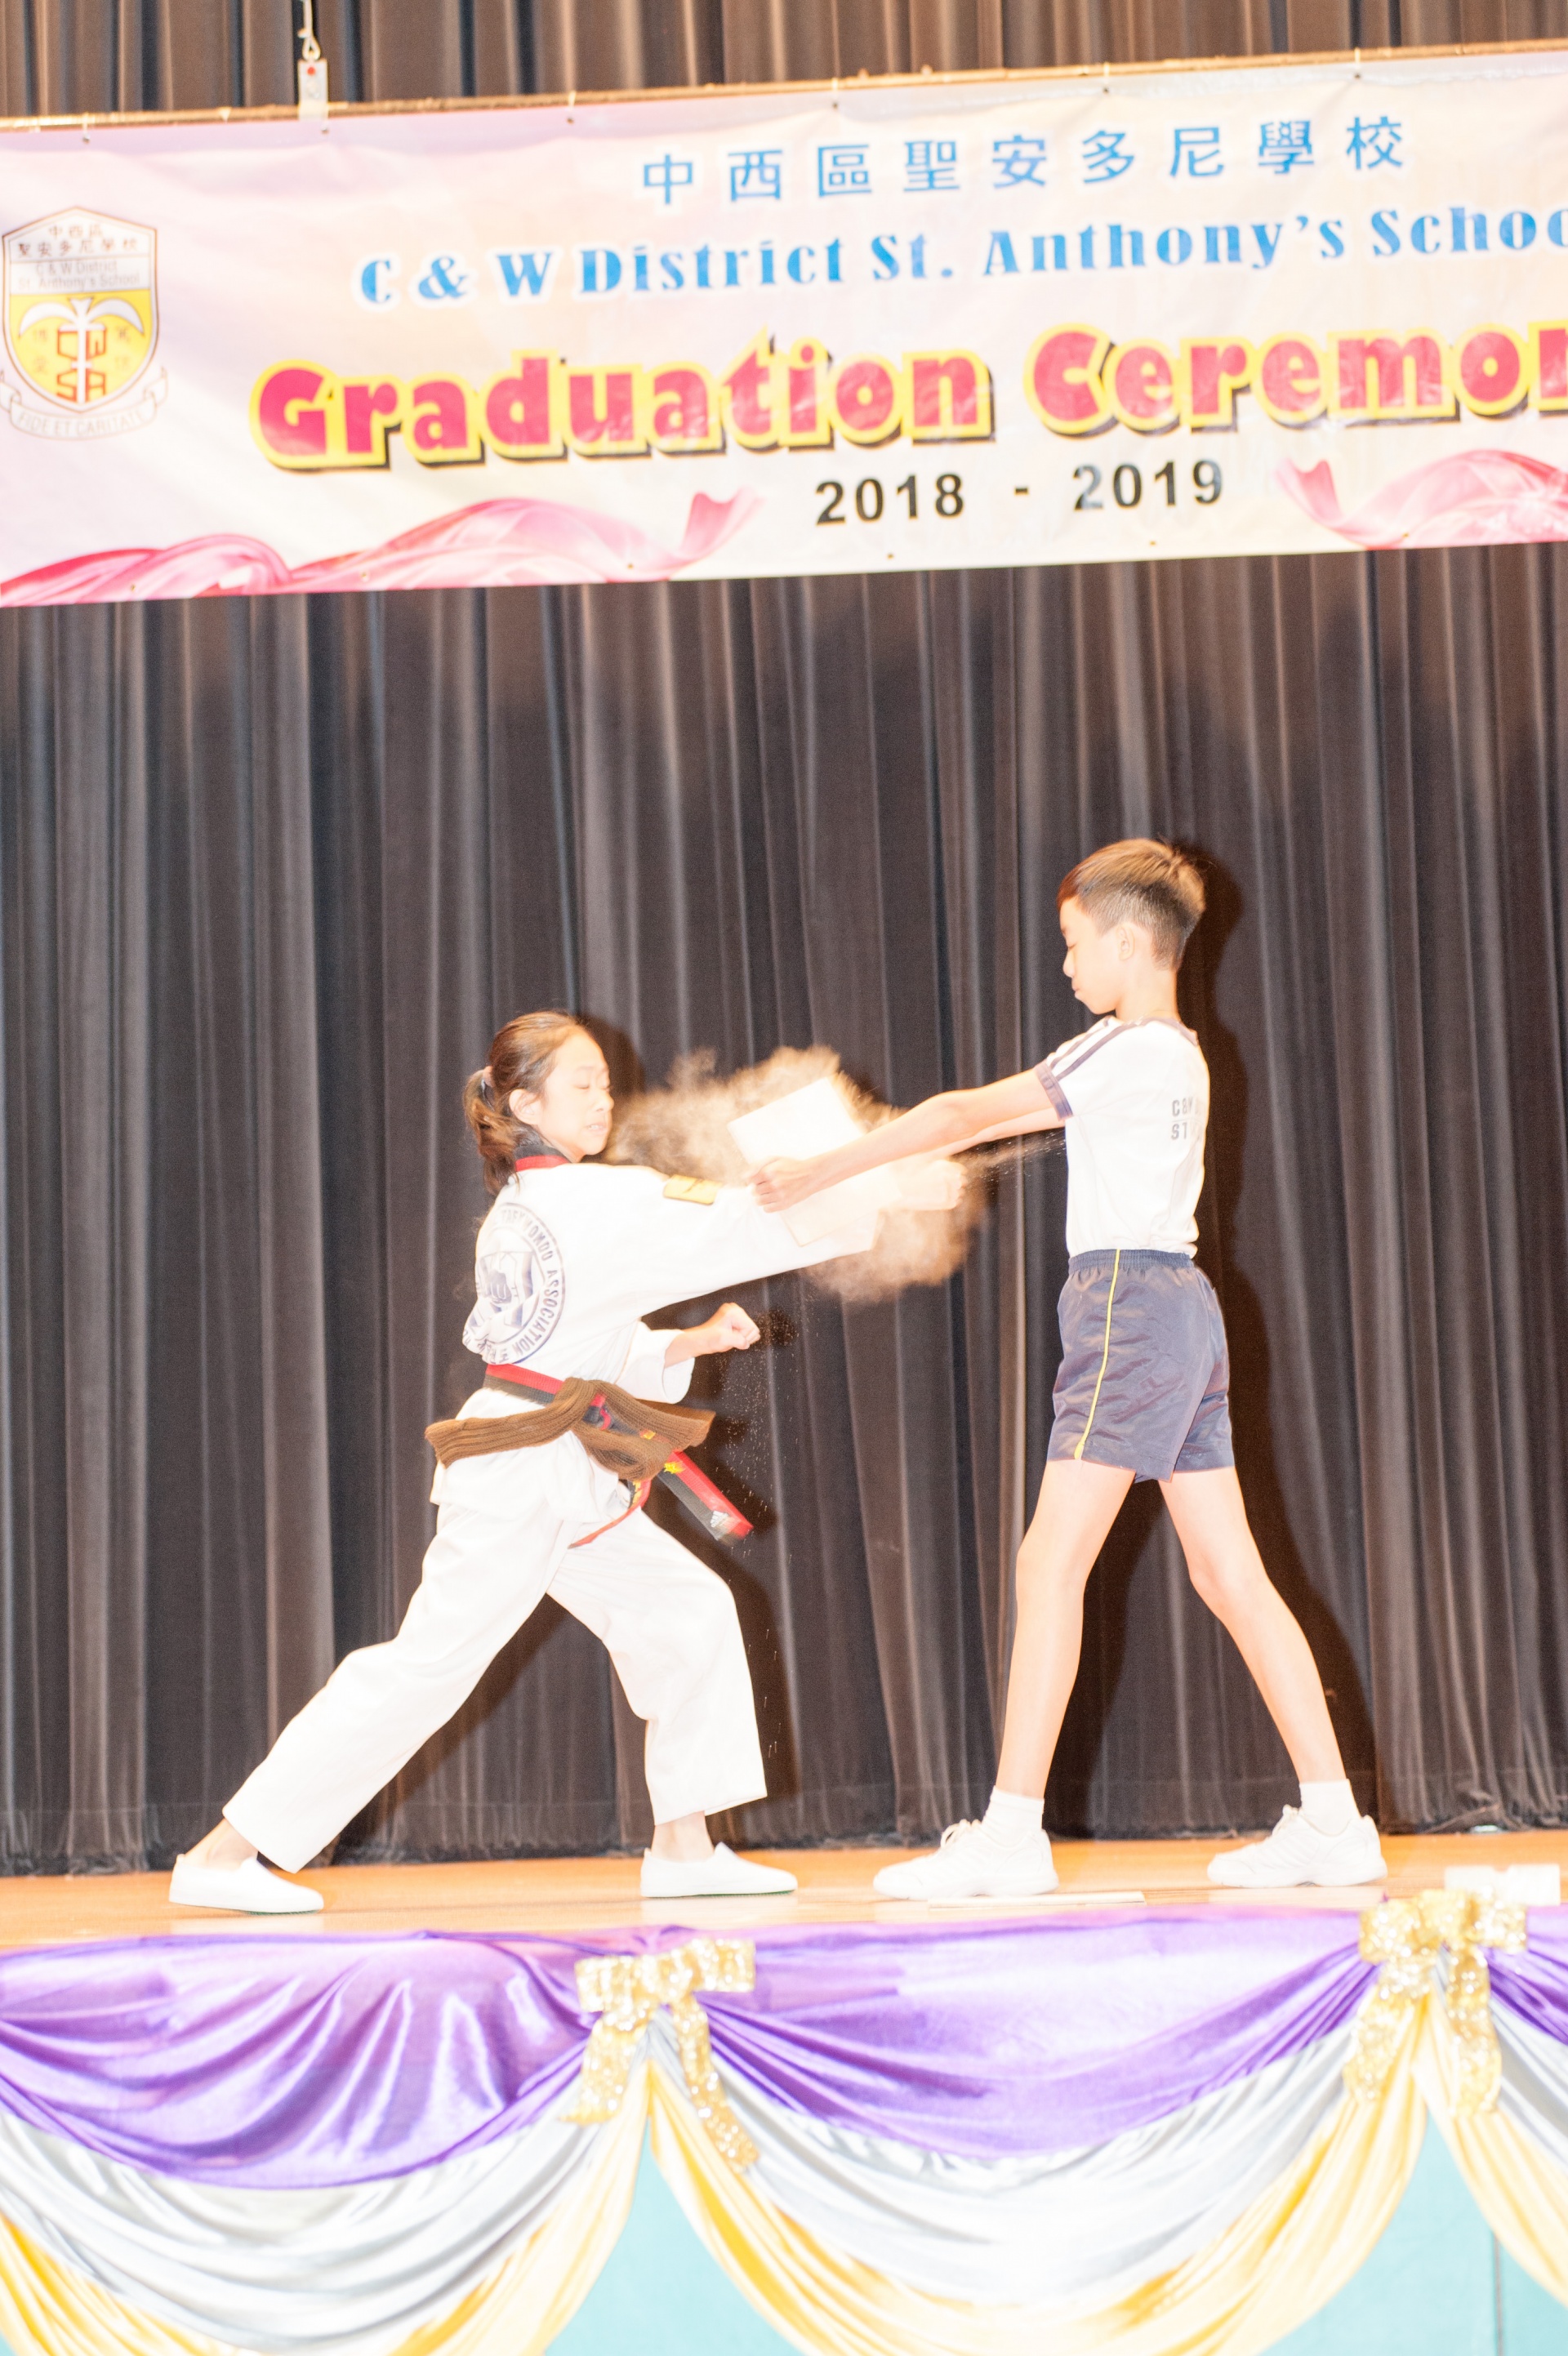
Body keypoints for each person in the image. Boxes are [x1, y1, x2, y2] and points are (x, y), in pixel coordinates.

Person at [751, 840, 1384, 1897]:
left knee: (1050, 1563)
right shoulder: (1180, 1055)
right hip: (1181, 1310)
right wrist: (910, 1167)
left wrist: (823, 1166)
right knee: (1230, 1574)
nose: (1066, 963)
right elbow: (986, 1132)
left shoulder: (1125, 1048)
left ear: (1131, 942)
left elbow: (964, 1115)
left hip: (1129, 1306)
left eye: (1074, 942)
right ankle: (1335, 1821)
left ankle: (1010, 1834)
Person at [170, 1012, 875, 1914]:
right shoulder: (592, 1201)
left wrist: (689, 1339)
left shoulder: (525, 1207)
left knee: (688, 1612)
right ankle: (222, 1853)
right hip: (523, 1474)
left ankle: (684, 1847)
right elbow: (742, 1224)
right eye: (583, 1084)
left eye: (607, 1084)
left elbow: (574, 1342)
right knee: (426, 1665)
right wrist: (846, 1174)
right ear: (526, 1103)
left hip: (550, 1466)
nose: (604, 1100)